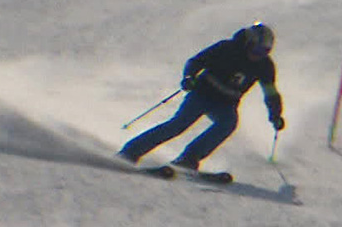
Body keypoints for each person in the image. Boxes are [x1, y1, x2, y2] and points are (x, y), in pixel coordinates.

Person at [119, 23, 284, 170]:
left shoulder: (265, 66)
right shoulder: (227, 48)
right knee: (179, 124)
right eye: (257, 50)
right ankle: (131, 151)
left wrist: (275, 115)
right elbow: (196, 62)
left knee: (228, 124)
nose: (259, 55)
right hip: (202, 94)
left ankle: (190, 158)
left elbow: (270, 93)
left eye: (265, 52)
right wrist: (189, 77)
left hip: (226, 103)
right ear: (249, 43)